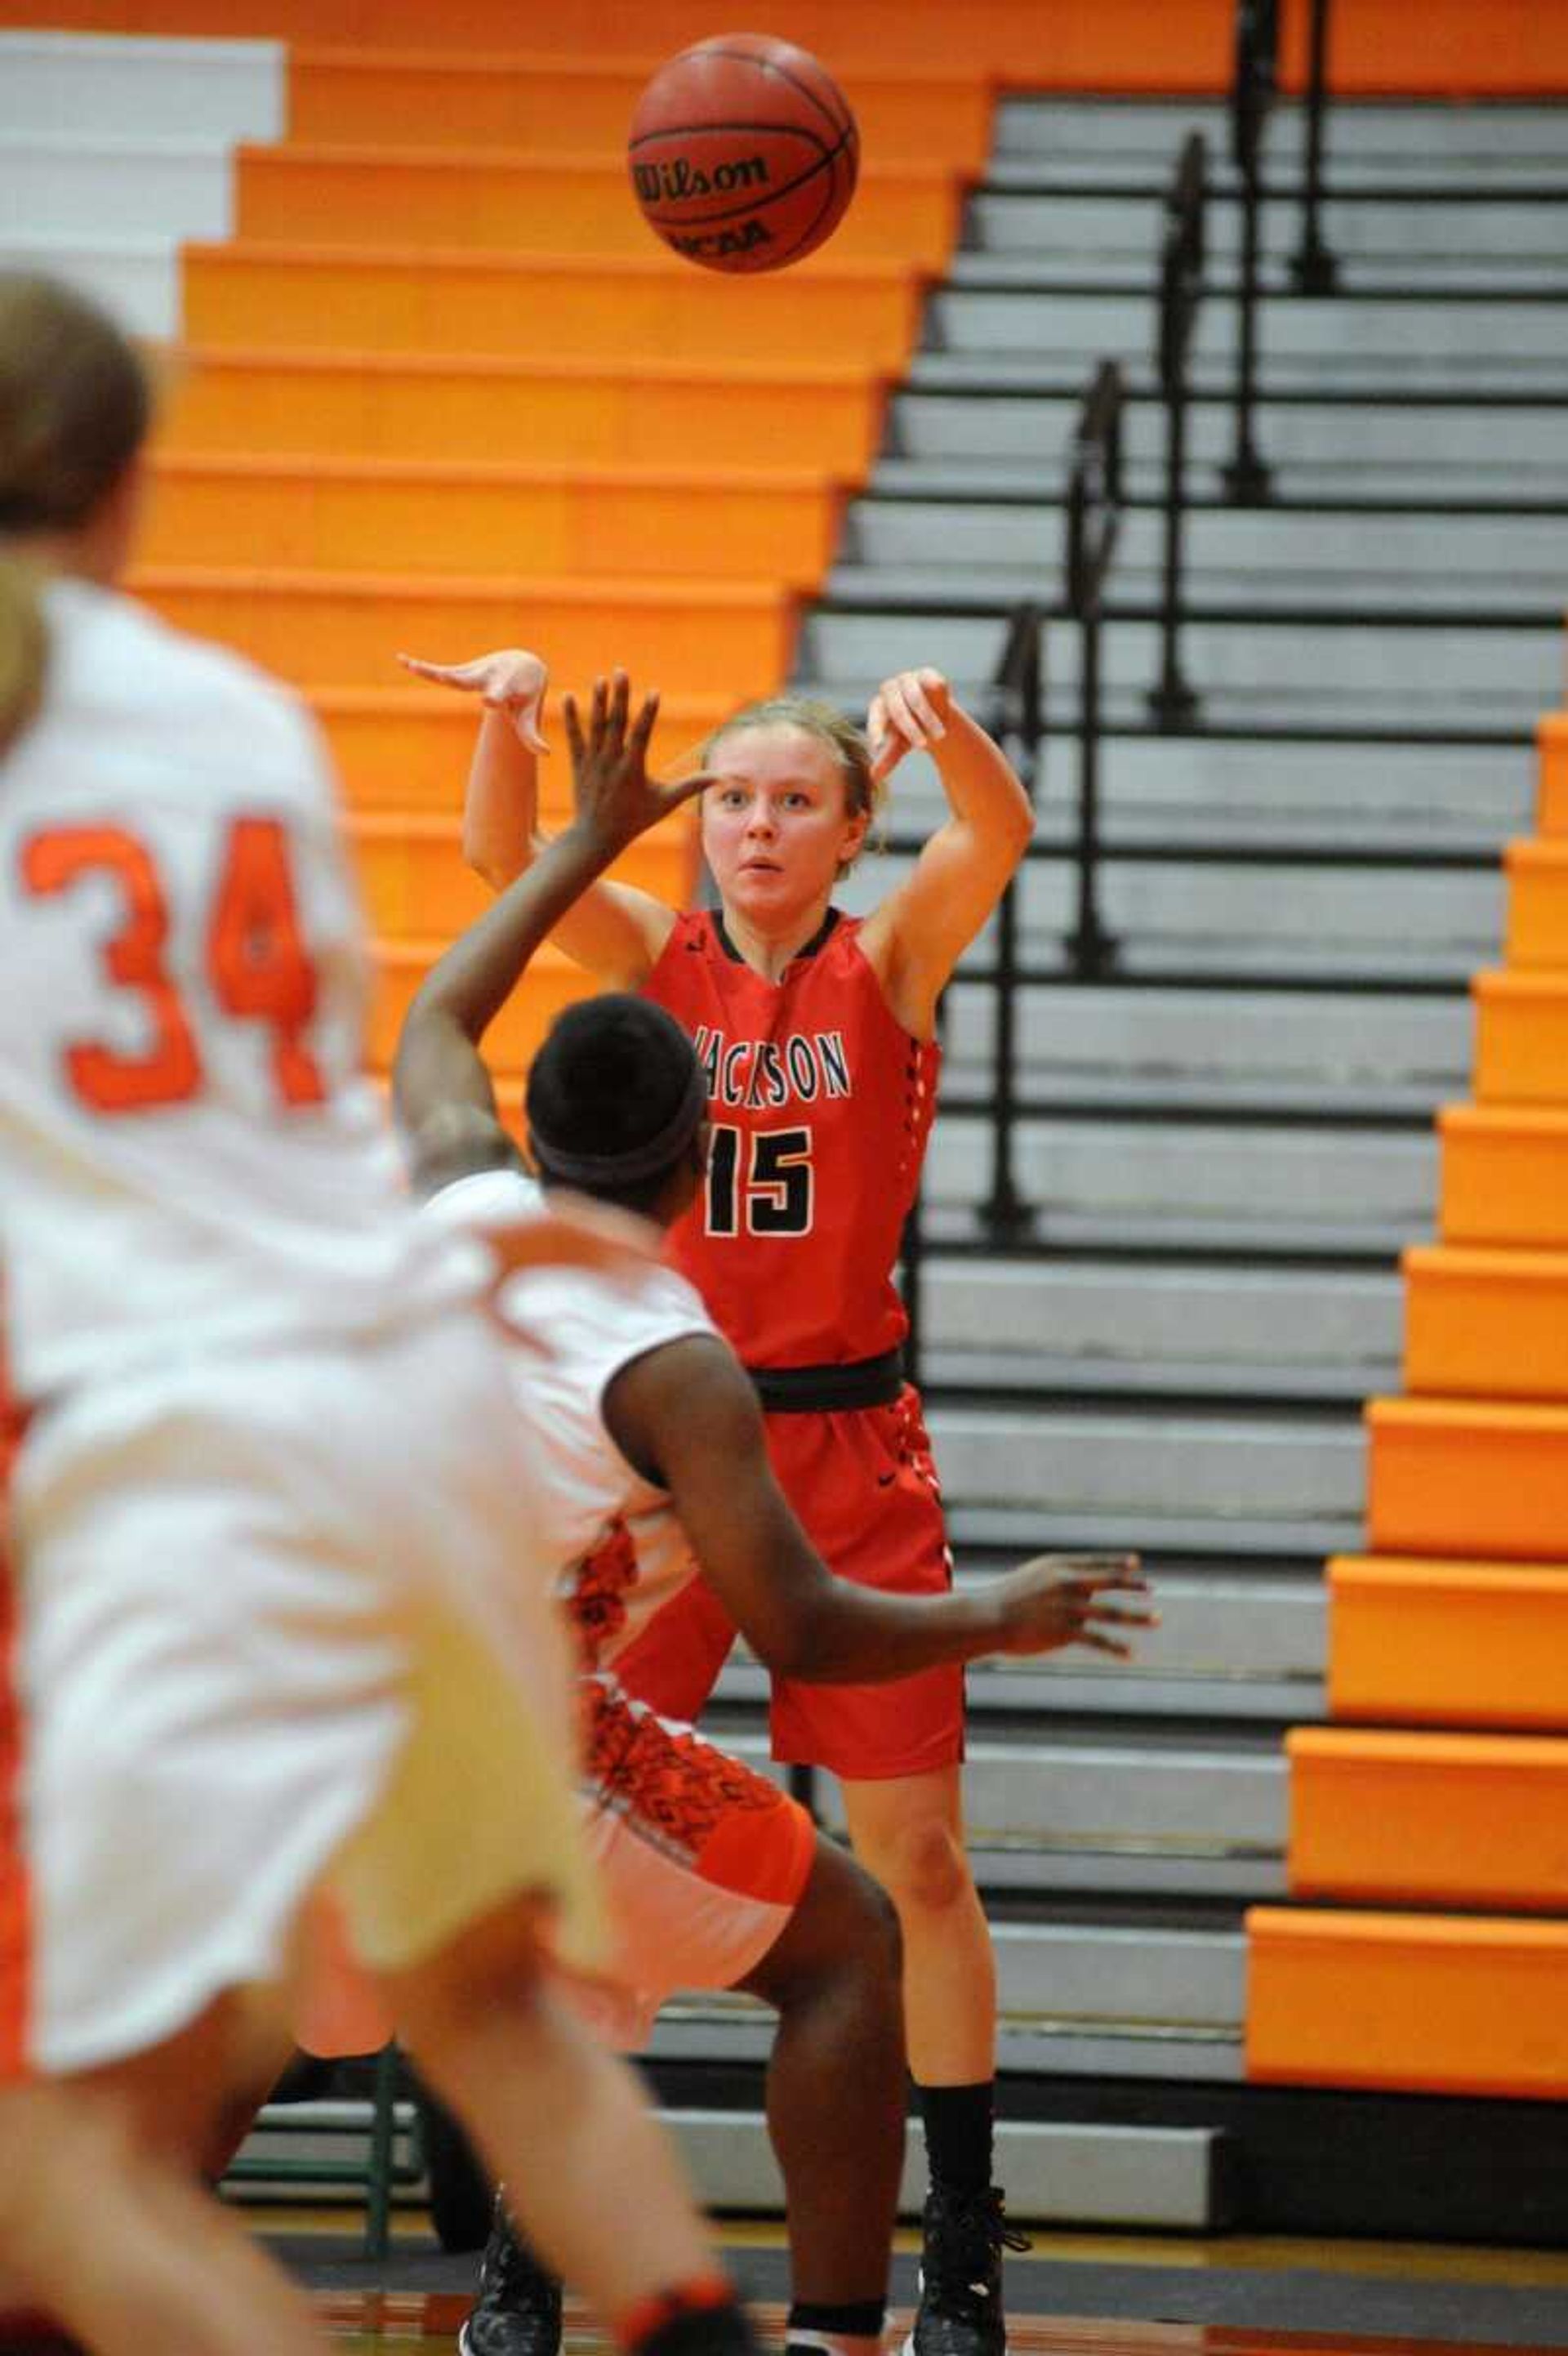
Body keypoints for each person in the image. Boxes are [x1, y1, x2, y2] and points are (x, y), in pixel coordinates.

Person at [0, 271, 760, 2356]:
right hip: (393, 1387)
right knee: (492, 2006)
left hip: (159, 1453)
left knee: (51, 2174)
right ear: (134, 485)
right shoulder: (234, 722)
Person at [388, 671, 1153, 2356]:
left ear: (853, 828)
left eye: (794, 799)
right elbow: (499, 855)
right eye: (730, 796)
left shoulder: (889, 959)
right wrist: (512, 718)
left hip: (848, 1437)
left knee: (917, 1863)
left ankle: (958, 2244)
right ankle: (533, 2241)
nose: (753, 824)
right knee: (589, 1842)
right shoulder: (659, 946)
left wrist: (945, 728)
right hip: (661, 1453)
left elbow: (1002, 826)